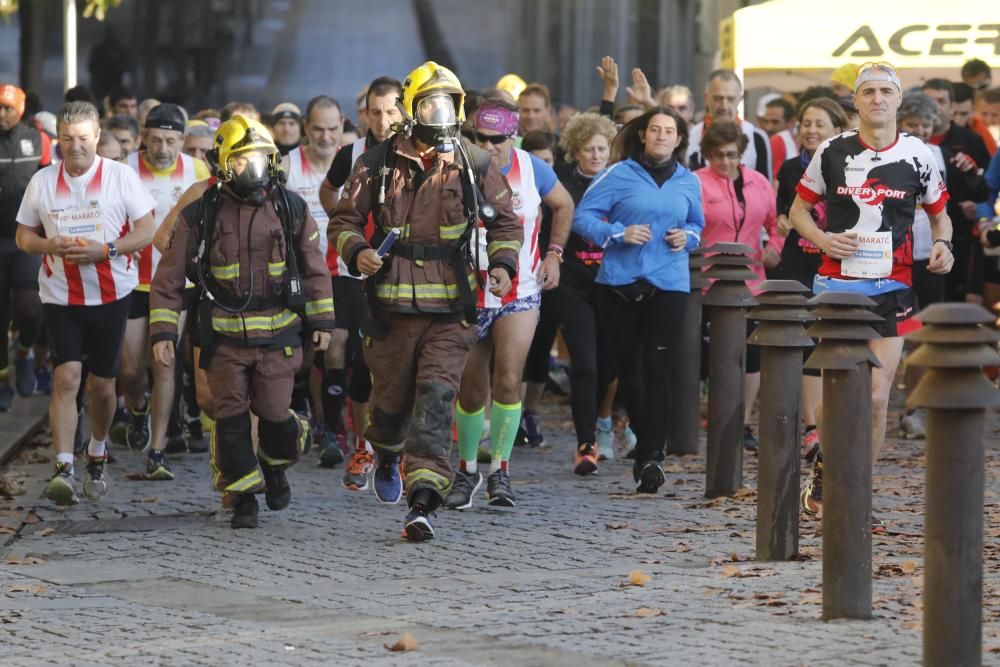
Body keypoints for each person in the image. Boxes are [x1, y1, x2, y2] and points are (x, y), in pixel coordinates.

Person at [327, 61, 522, 540]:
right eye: (430, 103)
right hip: (390, 310)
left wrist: (502, 266)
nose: (440, 112)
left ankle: (424, 503)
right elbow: (342, 222)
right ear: (412, 109)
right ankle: (388, 453)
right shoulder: (374, 164)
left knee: (437, 397)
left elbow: (507, 222)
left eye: (447, 103)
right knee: (390, 407)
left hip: (452, 309)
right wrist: (359, 251)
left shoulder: (476, 163)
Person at [789, 62, 954, 530]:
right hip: (836, 285)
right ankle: (828, 467)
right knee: (840, 390)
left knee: (880, 397)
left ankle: (854, 490)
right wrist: (823, 240)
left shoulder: (920, 155)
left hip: (896, 284)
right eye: (868, 92)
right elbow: (799, 211)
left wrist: (943, 245)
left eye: (886, 91)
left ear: (899, 99)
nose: (878, 99)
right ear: (855, 101)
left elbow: (941, 216)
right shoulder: (832, 150)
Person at [150, 115, 334, 529]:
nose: (251, 169)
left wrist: (322, 319)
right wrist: (163, 332)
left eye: (258, 159)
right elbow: (169, 274)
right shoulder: (201, 211)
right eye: (241, 160)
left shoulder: (291, 208)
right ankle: (244, 496)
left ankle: (276, 466)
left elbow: (314, 268)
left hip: (278, 335)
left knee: (274, 414)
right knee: (230, 417)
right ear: (222, 164)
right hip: (224, 338)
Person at [15, 101, 156, 505]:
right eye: (66, 139)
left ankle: (97, 448)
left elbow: (147, 230)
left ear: (96, 137)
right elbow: (24, 236)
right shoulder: (43, 181)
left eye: (82, 138)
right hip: (60, 294)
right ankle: (63, 467)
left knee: (103, 384)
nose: (75, 147)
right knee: (66, 378)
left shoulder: (120, 177)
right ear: (57, 140)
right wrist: (46, 244)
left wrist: (107, 250)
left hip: (111, 293)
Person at [447, 98, 573, 510]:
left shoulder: (531, 167)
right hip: (466, 293)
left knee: (507, 379)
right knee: (469, 389)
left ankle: (500, 471)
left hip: (519, 293)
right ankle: (466, 471)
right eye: (479, 138)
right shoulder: (455, 166)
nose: (489, 146)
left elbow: (564, 204)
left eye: (497, 139)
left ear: (512, 135)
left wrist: (554, 252)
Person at [572, 106, 704, 494]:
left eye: (670, 131)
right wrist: (618, 233)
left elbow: (697, 223)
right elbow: (583, 218)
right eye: (655, 130)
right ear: (643, 135)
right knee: (629, 370)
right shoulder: (618, 174)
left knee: (658, 364)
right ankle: (645, 445)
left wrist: (688, 238)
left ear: (679, 139)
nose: (662, 136)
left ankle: (652, 455)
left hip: (669, 281)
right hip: (620, 282)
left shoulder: (688, 181)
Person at [521, 112, 620, 475]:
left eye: (602, 149)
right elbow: (547, 231)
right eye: (589, 149)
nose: (596, 156)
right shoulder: (561, 187)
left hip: (613, 284)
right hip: (572, 283)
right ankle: (586, 442)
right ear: (575, 152)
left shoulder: (620, 183)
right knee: (585, 363)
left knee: (610, 364)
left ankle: (603, 424)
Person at [318, 76, 403, 489]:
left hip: (404, 273)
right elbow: (328, 189)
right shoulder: (351, 152)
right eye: (376, 112)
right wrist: (344, 223)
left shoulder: (416, 151)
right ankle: (364, 446)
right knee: (361, 359)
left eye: (391, 111)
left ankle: (396, 449)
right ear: (364, 114)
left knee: (399, 362)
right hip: (355, 271)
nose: (384, 120)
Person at [123, 103, 211, 479]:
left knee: (164, 361)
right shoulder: (124, 168)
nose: (162, 148)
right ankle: (137, 407)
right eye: (155, 139)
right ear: (143, 137)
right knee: (129, 369)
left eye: (171, 141)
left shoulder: (198, 170)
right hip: (131, 279)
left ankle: (157, 449)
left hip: (178, 284)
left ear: (182, 141)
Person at [695, 121, 782, 451]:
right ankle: (708, 416)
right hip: (708, 281)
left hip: (751, 282)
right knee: (708, 355)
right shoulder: (696, 183)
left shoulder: (758, 182)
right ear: (707, 155)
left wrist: (775, 246)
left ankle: (742, 422)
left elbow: (776, 224)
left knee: (753, 354)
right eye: (718, 156)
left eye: (732, 155)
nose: (726, 162)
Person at [772, 98, 848, 457]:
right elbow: (782, 209)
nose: (812, 131)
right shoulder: (789, 168)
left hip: (836, 264)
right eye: (806, 123)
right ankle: (810, 428)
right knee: (803, 343)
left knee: (829, 342)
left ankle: (834, 420)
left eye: (820, 124)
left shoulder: (851, 167)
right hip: (797, 263)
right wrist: (784, 221)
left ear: (837, 130)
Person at [280, 95, 343, 464]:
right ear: (306, 127)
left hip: (340, 271)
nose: (324, 136)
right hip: (297, 274)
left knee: (334, 347)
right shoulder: (287, 167)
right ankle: (302, 410)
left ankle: (329, 430)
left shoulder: (351, 163)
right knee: (302, 360)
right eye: (317, 128)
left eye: (332, 129)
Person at [0, 84, 51, 410]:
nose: (2, 115)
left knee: (30, 309)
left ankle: (24, 351)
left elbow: (50, 184)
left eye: (7, 108)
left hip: (26, 239)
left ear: (20, 109)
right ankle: (3, 379)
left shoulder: (39, 140)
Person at [920, 79, 992, 301]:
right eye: (929, 101)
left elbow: (987, 190)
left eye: (941, 101)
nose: (935, 107)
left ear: (952, 107)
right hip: (916, 242)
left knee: (957, 302)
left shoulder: (971, 140)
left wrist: (978, 206)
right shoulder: (905, 142)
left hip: (961, 238)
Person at [687, 70, 772, 181]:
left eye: (730, 99)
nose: (724, 106)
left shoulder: (757, 138)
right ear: (706, 98)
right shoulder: (690, 136)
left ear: (740, 99)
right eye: (718, 98)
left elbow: (765, 189)